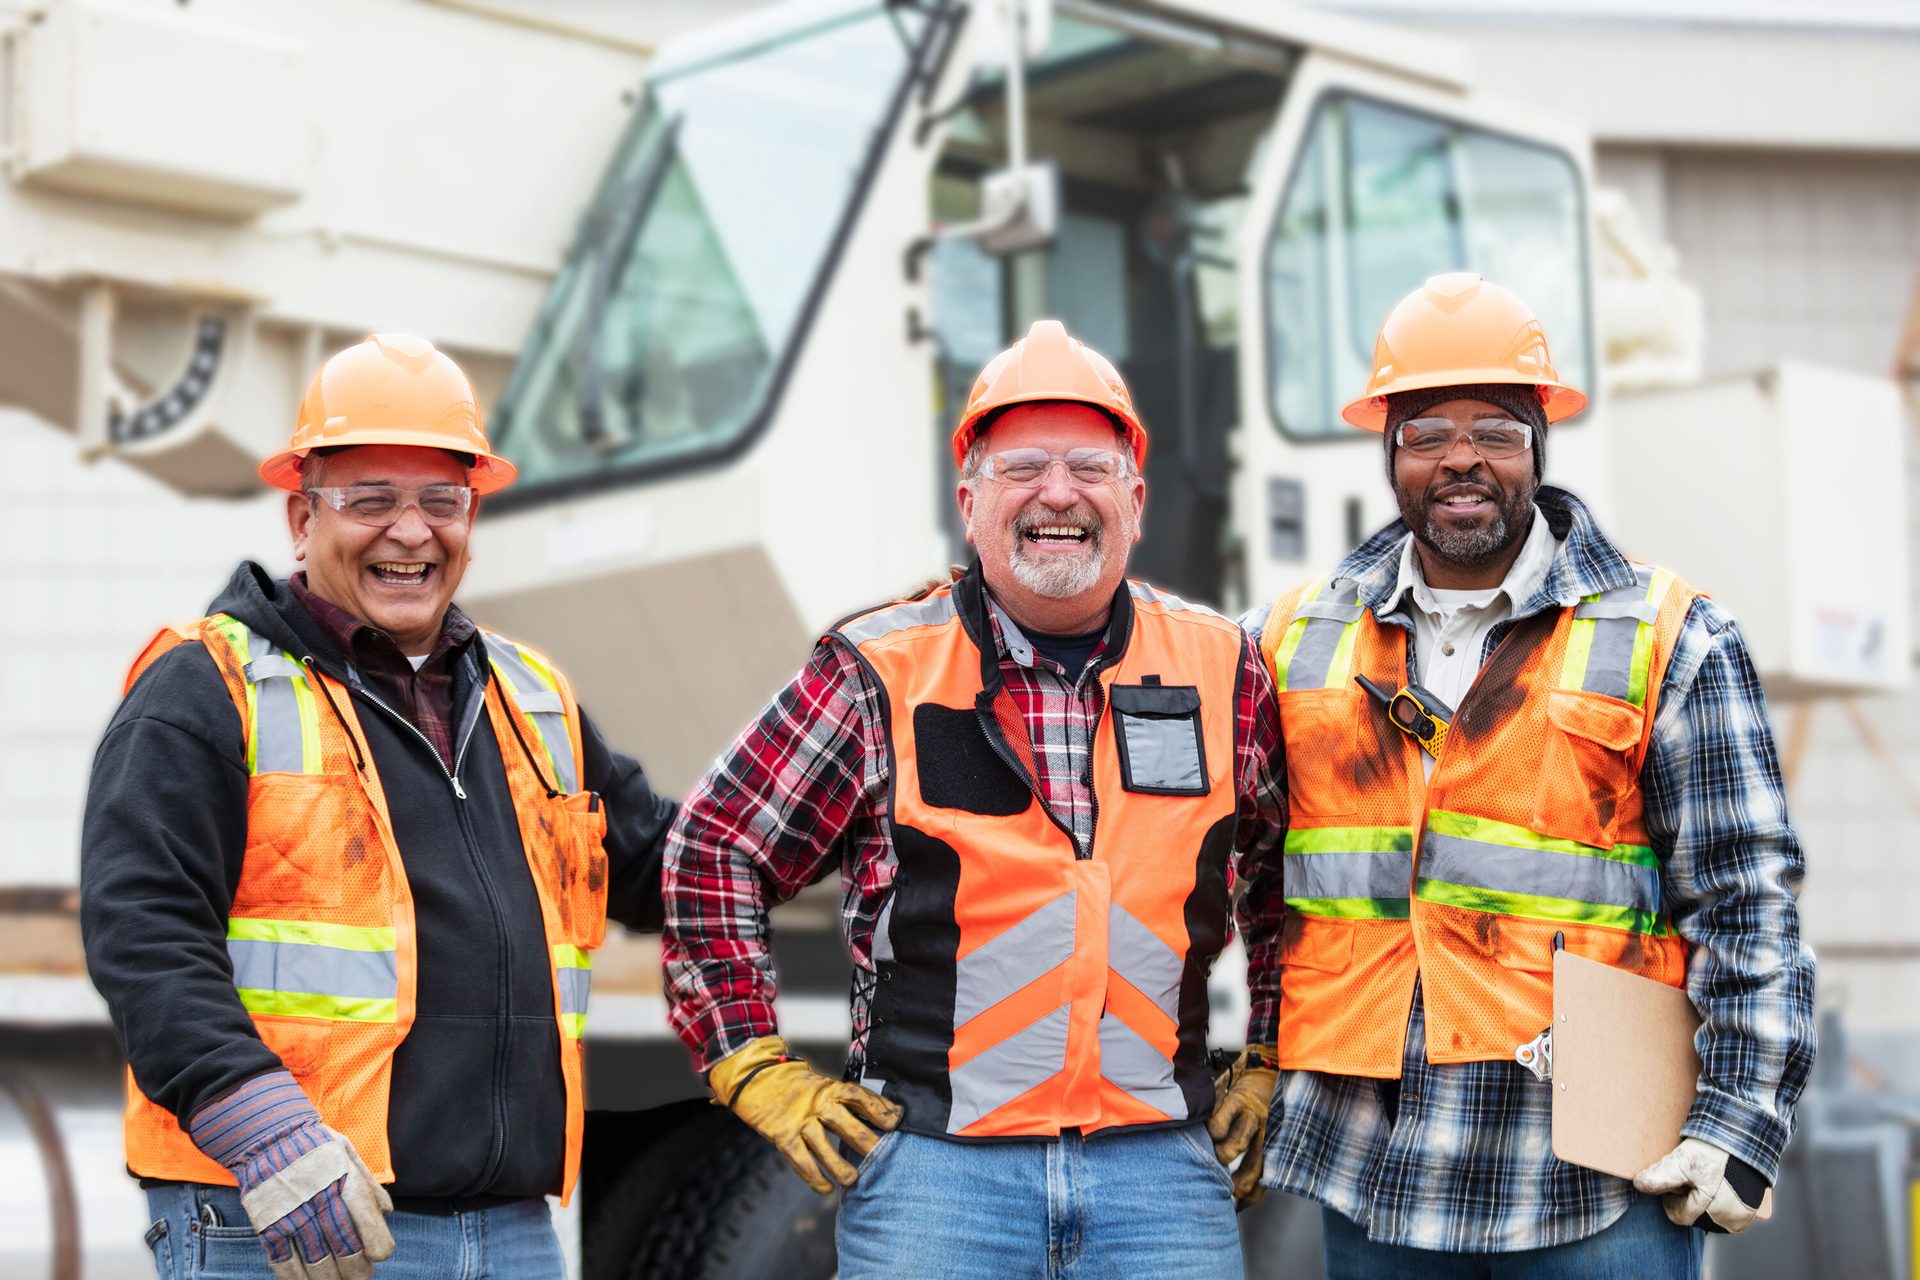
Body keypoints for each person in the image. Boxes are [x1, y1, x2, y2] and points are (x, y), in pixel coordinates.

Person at [663, 319, 1289, 1278]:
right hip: (936, 1180)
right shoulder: (879, 670)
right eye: (1022, 466)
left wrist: (1274, 1049)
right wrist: (748, 1062)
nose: (1058, 493)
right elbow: (713, 848)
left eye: (1090, 466)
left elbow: (1285, 869)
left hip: (1160, 1175)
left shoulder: (1222, 665)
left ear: (1136, 500)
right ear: (969, 500)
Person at [1241, 274, 1815, 1278]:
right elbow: (1224, 865)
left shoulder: (1669, 636)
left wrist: (1742, 1117)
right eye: (1428, 429)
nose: (1462, 456)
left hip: (1596, 1172)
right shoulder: (1292, 638)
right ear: (1389, 451)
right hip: (1377, 1171)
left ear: (1537, 443)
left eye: (1495, 428)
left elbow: (1746, 895)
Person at [82, 334, 677, 1280]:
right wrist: (263, 1131)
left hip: (511, 1230)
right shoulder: (207, 689)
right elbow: (143, 933)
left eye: (443, 501)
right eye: (370, 501)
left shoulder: (532, 700)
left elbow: (665, 866)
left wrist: (852, 802)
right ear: (299, 516)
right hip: (287, 1218)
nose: (412, 532)